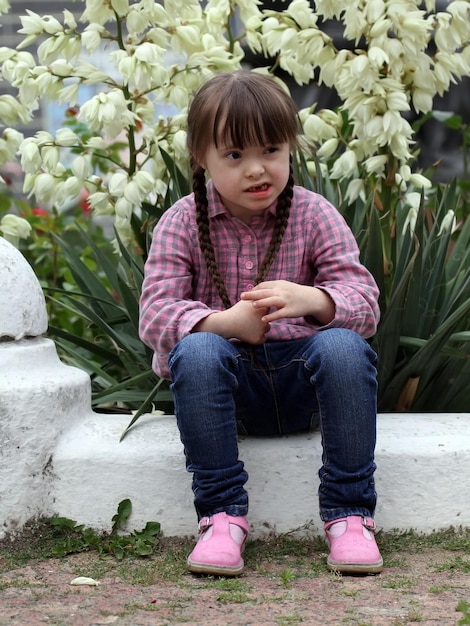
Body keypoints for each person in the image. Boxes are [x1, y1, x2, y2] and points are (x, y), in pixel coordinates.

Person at [139, 70, 383, 577]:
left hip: (303, 385)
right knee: (200, 351)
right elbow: (155, 315)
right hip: (229, 396)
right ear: (199, 158)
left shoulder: (315, 214)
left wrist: (314, 299)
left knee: (343, 348)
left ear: (290, 148)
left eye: (271, 150)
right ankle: (222, 518)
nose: (257, 170)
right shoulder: (182, 222)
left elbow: (365, 303)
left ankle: (350, 516)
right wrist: (225, 322)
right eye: (234, 155)